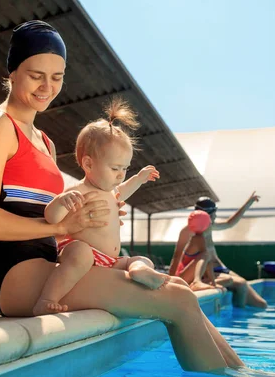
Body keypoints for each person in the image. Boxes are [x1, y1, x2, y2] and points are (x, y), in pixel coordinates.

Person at [0, 20, 243, 371]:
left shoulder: (45, 141)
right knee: (174, 300)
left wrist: (93, 220)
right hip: (18, 280)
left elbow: (52, 218)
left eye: (57, 76)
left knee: (179, 290)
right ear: (13, 71)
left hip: (53, 268)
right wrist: (60, 228)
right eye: (36, 74)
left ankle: (243, 374)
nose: (47, 87)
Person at [34, 99, 177, 315]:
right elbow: (51, 218)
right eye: (115, 168)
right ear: (89, 164)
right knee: (80, 253)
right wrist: (61, 202)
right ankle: (47, 299)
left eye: (125, 169)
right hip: (84, 254)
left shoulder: (111, 193)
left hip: (110, 260)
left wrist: (139, 179)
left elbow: (124, 190)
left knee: (139, 258)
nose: (121, 175)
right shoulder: (79, 192)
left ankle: (139, 269)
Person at [169, 193, 268, 308]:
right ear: (208, 215)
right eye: (214, 214)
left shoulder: (209, 226)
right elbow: (177, 257)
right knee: (240, 285)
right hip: (207, 271)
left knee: (262, 304)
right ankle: (237, 316)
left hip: (220, 268)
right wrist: (170, 281)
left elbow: (229, 223)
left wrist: (248, 204)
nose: (216, 216)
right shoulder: (188, 232)